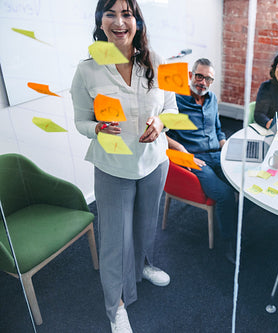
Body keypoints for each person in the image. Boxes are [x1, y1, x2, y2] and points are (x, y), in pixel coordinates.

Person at [71, 0, 178, 331]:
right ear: (100, 22)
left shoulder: (157, 60)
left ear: (137, 22)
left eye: (127, 14)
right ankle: (115, 306)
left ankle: (142, 265)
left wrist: (160, 125)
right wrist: (98, 128)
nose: (119, 21)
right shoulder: (87, 69)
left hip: (154, 163)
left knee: (145, 226)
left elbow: (173, 109)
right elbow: (80, 121)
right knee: (115, 240)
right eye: (111, 14)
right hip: (113, 166)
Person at [166, 58, 238, 264]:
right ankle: (230, 243)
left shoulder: (212, 98)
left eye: (208, 79)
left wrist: (224, 143)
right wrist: (181, 150)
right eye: (199, 76)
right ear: (190, 75)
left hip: (218, 153)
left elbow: (217, 127)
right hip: (195, 159)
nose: (203, 82)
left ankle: (233, 224)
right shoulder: (176, 101)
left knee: (243, 184)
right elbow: (161, 133)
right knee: (224, 194)